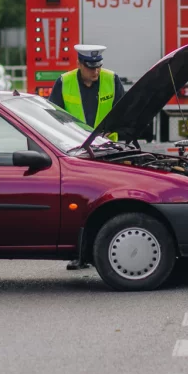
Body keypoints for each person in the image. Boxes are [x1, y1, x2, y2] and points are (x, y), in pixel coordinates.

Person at [48, 44, 125, 270]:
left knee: (108, 202)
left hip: (107, 150)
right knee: (79, 204)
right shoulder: (65, 82)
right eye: (91, 67)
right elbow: (53, 116)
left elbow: (125, 111)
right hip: (76, 152)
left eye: (99, 66)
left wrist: (114, 129)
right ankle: (78, 254)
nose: (96, 71)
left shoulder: (112, 79)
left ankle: (105, 251)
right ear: (79, 64)